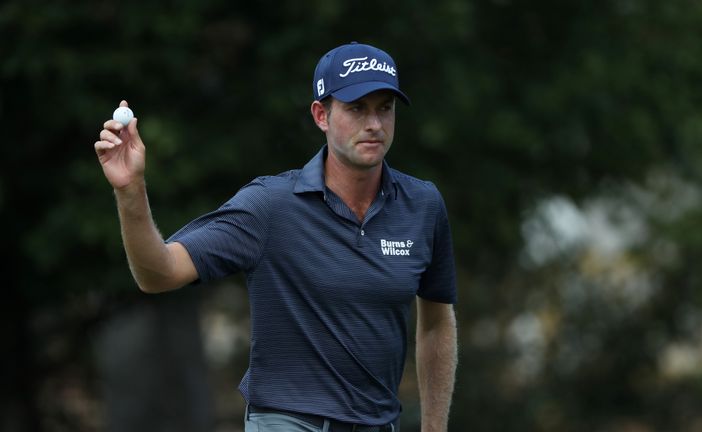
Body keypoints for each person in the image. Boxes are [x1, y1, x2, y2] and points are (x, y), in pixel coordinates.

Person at [94, 41, 458, 432]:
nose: (374, 124)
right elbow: (159, 273)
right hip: (288, 421)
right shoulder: (269, 206)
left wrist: (434, 428)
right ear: (321, 115)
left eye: (384, 108)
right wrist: (130, 192)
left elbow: (437, 321)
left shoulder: (422, 205)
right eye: (356, 109)